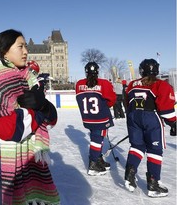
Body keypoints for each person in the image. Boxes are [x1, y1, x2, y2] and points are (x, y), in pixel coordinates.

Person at [0, 29, 59, 205]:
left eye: (26, 46)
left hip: (23, 163)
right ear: (5, 50)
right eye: (20, 46)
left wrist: (43, 105)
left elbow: (52, 119)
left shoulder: (29, 78)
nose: (26, 51)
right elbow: (11, 130)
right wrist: (40, 110)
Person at [124, 58, 176, 197]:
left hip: (133, 117)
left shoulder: (132, 84)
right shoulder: (161, 85)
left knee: (137, 146)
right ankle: (153, 185)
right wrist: (173, 123)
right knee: (154, 150)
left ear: (141, 70)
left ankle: (130, 171)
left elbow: (126, 102)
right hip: (151, 118)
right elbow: (166, 109)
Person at [75, 62, 117, 176]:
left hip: (87, 118)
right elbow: (112, 100)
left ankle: (98, 159)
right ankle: (93, 164)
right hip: (101, 117)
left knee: (96, 138)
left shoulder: (79, 83)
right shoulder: (104, 83)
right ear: (97, 71)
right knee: (97, 140)